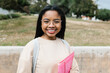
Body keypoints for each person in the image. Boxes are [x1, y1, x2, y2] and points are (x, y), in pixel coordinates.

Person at [17, 5, 79, 73]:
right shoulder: (32, 47)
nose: (51, 25)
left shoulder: (65, 45)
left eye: (56, 21)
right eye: (46, 21)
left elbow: (75, 70)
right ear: (41, 23)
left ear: (62, 23)